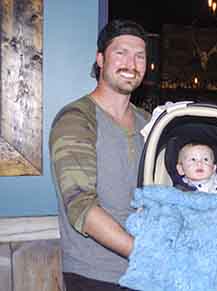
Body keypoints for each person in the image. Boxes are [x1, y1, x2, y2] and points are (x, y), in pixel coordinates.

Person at [49, 19, 151, 291]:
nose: (132, 64)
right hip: (95, 276)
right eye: (121, 52)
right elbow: (81, 206)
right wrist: (149, 254)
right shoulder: (76, 119)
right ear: (100, 60)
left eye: (140, 56)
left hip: (146, 275)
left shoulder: (150, 122)